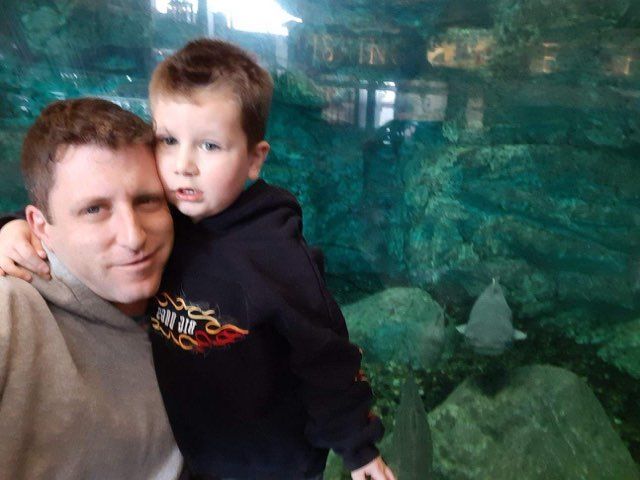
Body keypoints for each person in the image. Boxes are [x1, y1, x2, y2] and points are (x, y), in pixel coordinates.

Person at [0, 39, 396, 480]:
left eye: (209, 146)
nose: (184, 165)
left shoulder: (277, 254)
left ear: (254, 160)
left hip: (272, 463)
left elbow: (326, 358)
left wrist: (358, 450)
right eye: (168, 141)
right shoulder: (172, 213)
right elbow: (76, 203)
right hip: (201, 457)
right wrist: (11, 227)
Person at [0, 98, 183, 479]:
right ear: (39, 226)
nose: (134, 237)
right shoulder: (10, 309)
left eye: (147, 200)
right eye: (94, 210)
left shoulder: (196, 309)